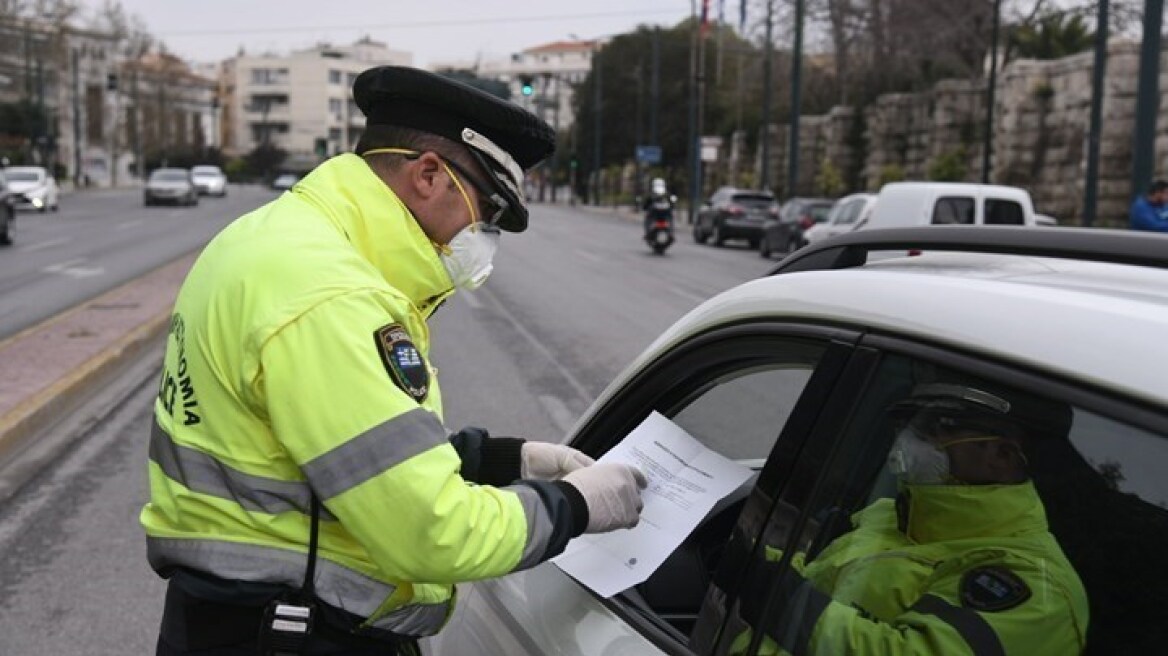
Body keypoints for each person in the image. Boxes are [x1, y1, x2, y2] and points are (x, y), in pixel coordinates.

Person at [140, 65, 647, 655]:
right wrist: (579, 505)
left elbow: (322, 451)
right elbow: (433, 533)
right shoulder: (333, 294)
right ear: (429, 175)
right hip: (294, 634)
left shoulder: (270, 239)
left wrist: (499, 459)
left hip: (234, 622)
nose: (483, 237)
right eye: (486, 213)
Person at [733, 383, 1088, 655]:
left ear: (1002, 455)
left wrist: (775, 594)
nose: (910, 440)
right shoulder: (893, 515)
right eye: (914, 426)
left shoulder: (1037, 587)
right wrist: (749, 554)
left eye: (937, 428)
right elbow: (823, 580)